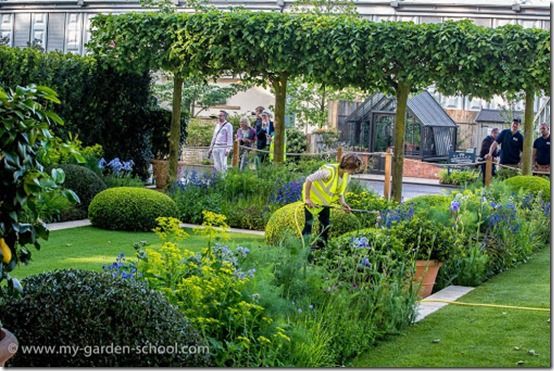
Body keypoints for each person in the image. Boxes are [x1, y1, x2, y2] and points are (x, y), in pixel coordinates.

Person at [301, 153, 362, 250]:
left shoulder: (347, 177)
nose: (354, 171)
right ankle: (303, 249)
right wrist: (307, 198)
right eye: (354, 169)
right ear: (348, 166)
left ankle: (321, 248)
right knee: (308, 225)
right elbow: (309, 179)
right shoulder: (328, 171)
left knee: (325, 225)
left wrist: (343, 204)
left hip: (325, 203)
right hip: (312, 200)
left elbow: (340, 194)